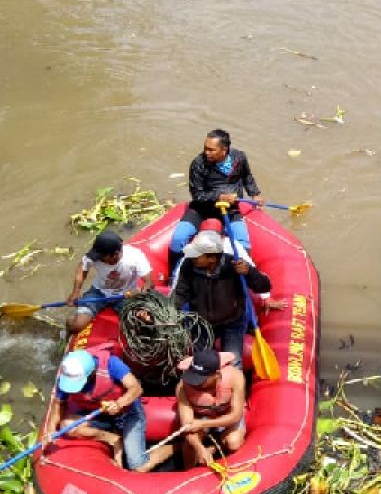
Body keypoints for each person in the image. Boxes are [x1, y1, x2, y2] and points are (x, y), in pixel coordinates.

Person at [42, 348, 172, 472]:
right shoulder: (66, 376)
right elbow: (58, 403)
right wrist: (51, 430)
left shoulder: (111, 364)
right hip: (99, 414)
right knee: (67, 426)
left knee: (138, 466)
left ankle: (176, 447)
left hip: (127, 413)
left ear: (91, 373)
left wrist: (119, 403)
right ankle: (113, 439)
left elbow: (136, 388)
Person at [167, 129, 265, 278]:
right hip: (202, 209)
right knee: (178, 239)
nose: (206, 152)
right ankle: (173, 276)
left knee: (243, 244)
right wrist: (220, 197)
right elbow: (197, 195)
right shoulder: (198, 164)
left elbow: (247, 177)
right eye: (205, 148)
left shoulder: (239, 158)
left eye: (211, 150)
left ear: (224, 150)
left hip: (230, 210)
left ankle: (246, 277)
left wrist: (255, 194)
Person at [171, 230, 271, 369]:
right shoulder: (189, 265)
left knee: (234, 364)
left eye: (197, 255)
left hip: (232, 322)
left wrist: (249, 272)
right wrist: (171, 314)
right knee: (202, 366)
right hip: (202, 323)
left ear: (211, 258)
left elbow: (264, 286)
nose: (192, 257)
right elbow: (181, 293)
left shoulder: (234, 265)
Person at [64, 230, 153, 334]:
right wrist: (75, 292)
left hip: (125, 296)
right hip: (98, 292)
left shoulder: (135, 257)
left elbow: (149, 283)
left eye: (101, 256)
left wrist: (141, 293)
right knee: (77, 325)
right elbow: (82, 269)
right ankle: (69, 323)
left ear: (115, 254)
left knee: (141, 325)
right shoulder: (94, 255)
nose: (97, 258)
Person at [176, 347, 247, 468]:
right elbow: (187, 425)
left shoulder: (236, 377)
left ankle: (215, 447)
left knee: (233, 443)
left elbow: (236, 415)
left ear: (217, 375)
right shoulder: (182, 387)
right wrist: (198, 448)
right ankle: (187, 473)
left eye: (201, 380)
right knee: (190, 447)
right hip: (201, 416)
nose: (195, 383)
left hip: (225, 415)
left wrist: (202, 424)